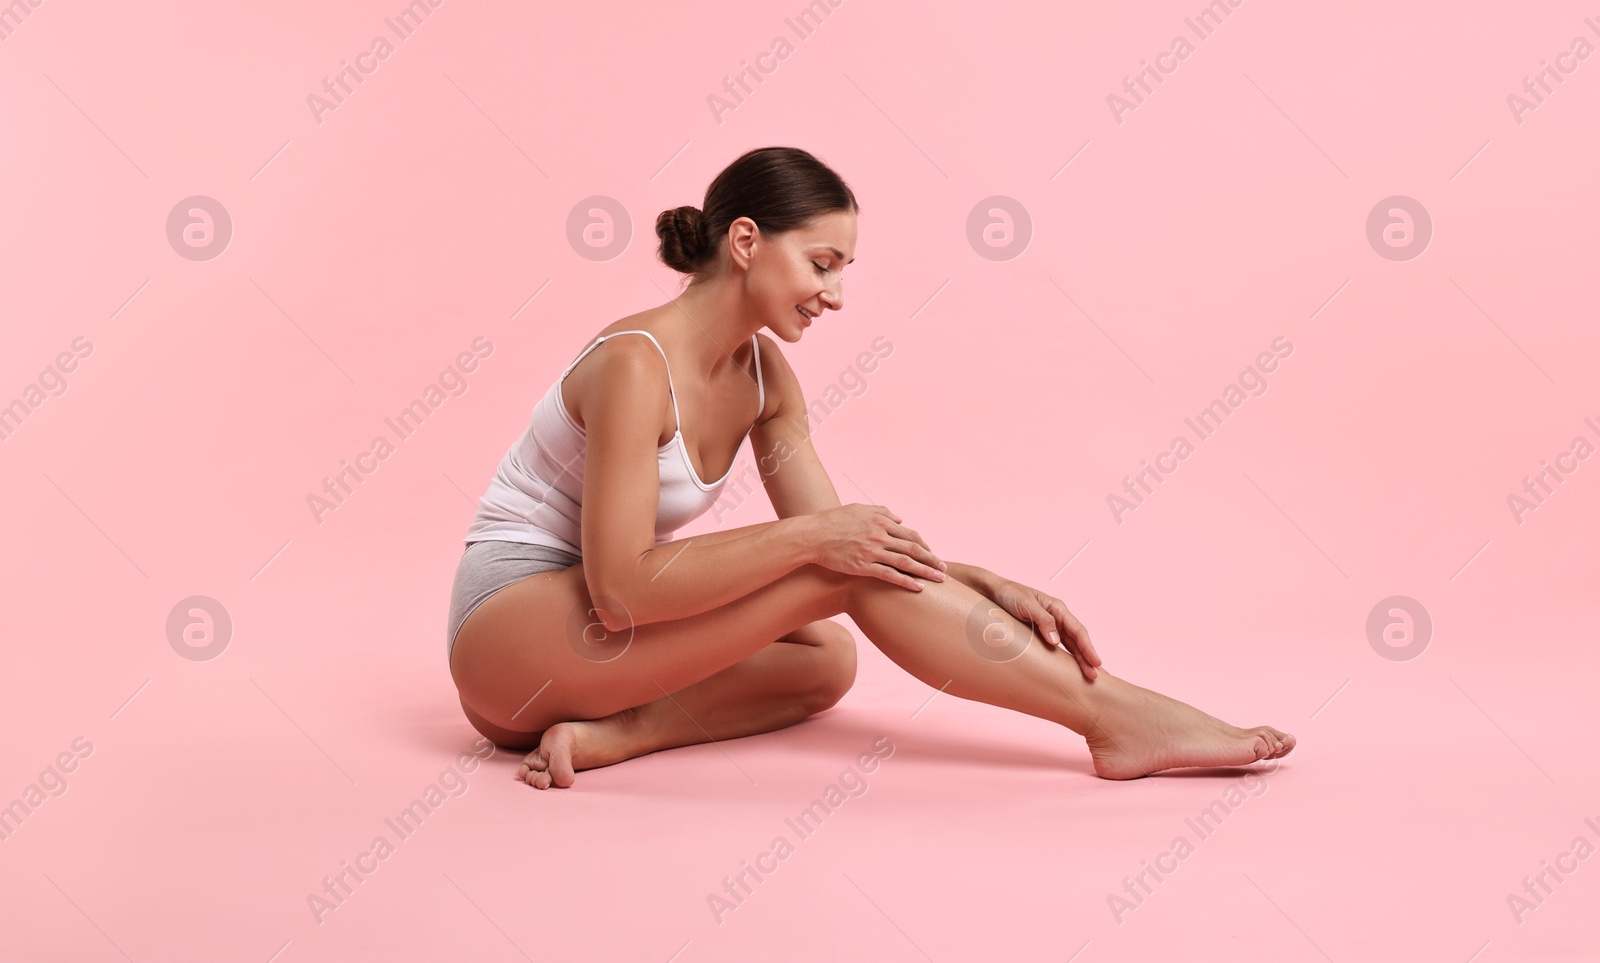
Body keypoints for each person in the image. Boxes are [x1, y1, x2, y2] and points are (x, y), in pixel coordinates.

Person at [447, 146, 1295, 789]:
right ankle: (1113, 718)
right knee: (833, 577)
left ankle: (619, 734)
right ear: (745, 241)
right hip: (507, 636)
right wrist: (830, 543)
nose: (837, 297)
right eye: (822, 264)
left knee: (826, 661)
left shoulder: (765, 377)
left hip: (597, 656)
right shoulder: (637, 363)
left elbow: (845, 541)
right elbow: (622, 588)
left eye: (844, 271)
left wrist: (973, 576)